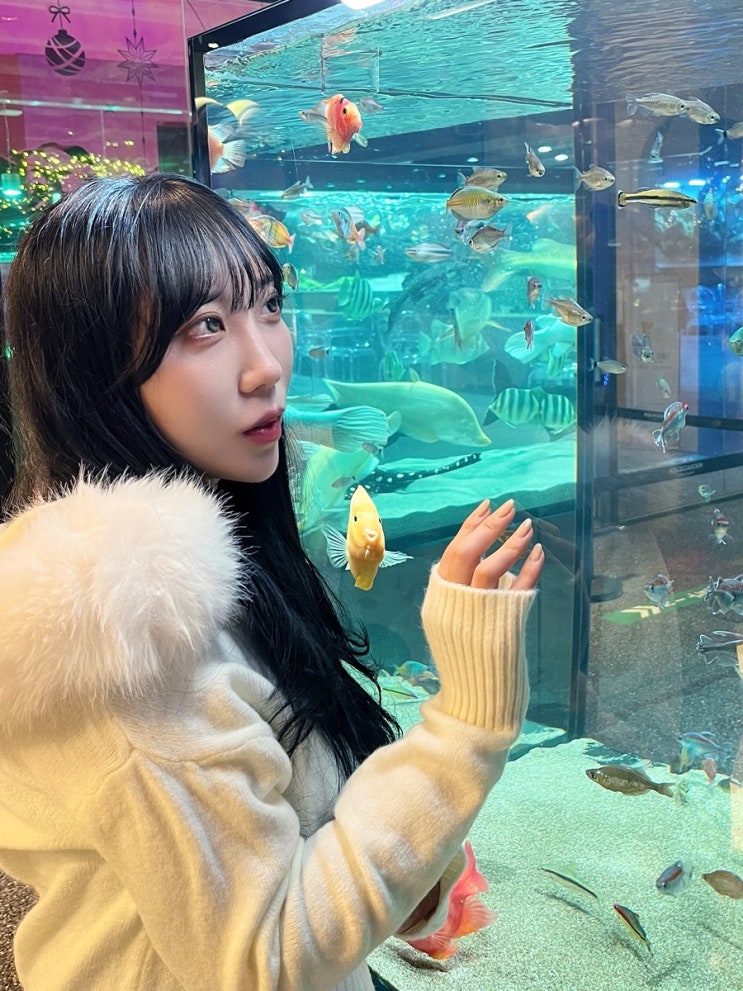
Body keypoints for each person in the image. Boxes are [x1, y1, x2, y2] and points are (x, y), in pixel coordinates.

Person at [0, 173, 542, 991]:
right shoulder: (120, 645)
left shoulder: (215, 560)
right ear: (91, 366)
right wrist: (465, 724)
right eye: (205, 326)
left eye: (267, 306)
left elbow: (300, 813)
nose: (265, 366)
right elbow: (267, 960)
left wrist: (419, 872)